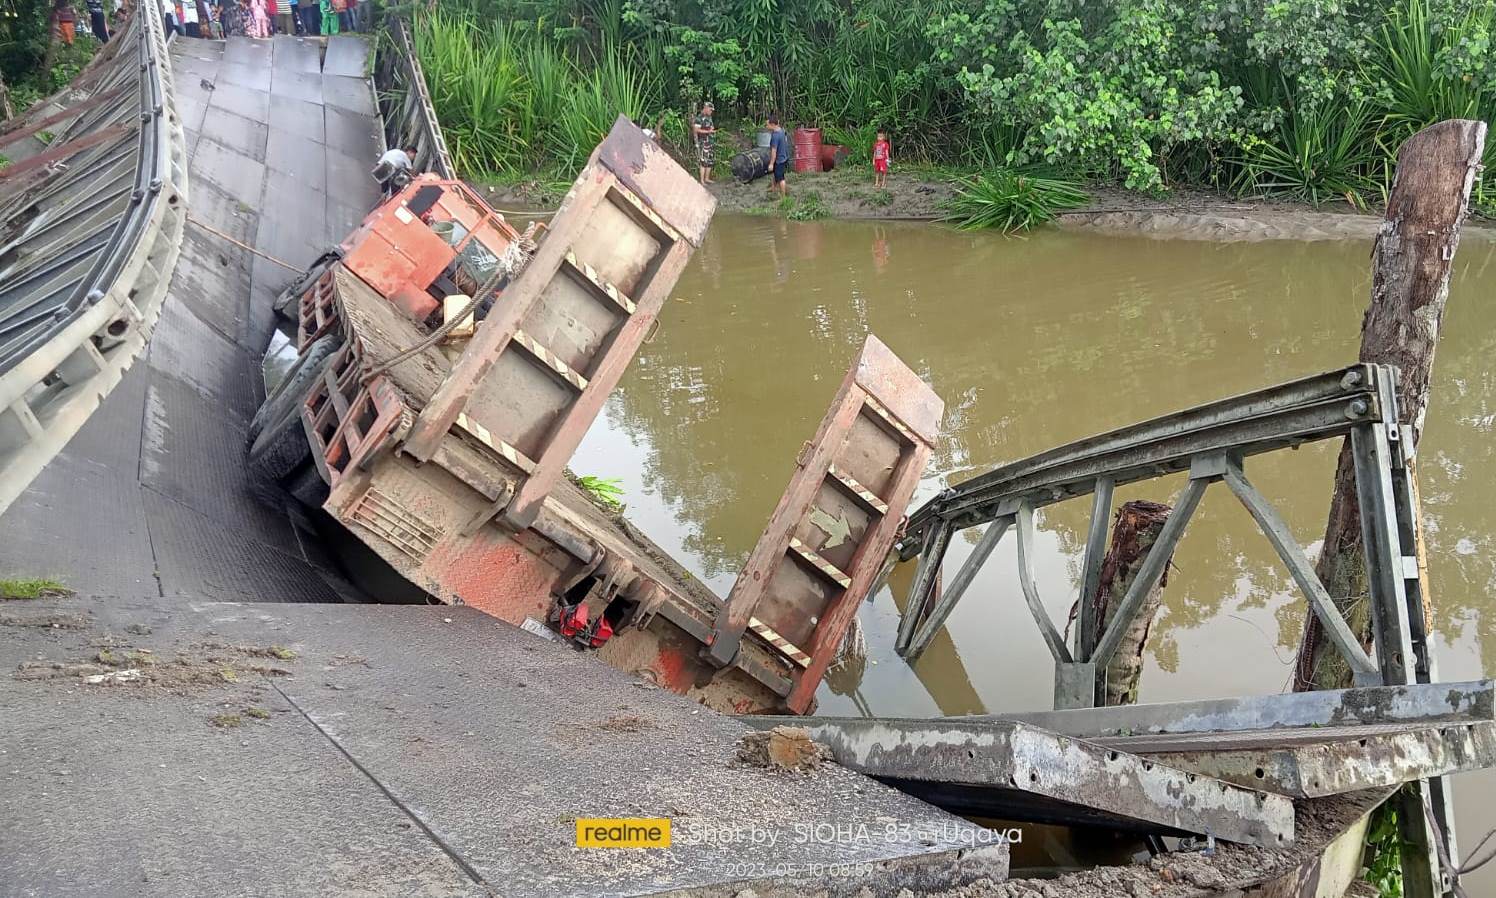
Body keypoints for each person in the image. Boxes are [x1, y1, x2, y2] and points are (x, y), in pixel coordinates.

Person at [765, 114, 790, 198]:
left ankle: (783, 197)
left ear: (772, 124)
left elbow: (774, 151)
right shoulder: (781, 130)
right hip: (784, 157)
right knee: (776, 174)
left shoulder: (775, 136)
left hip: (779, 160)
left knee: (780, 178)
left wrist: (771, 164)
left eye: (767, 125)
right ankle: (773, 188)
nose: (766, 126)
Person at [692, 101, 715, 185]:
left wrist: (711, 129)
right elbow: (696, 130)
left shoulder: (709, 117)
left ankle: (707, 178)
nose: (711, 111)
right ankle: (702, 180)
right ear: (706, 108)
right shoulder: (699, 118)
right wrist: (708, 131)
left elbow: (711, 126)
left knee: (710, 161)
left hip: (710, 141)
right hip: (703, 142)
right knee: (703, 161)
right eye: (710, 110)